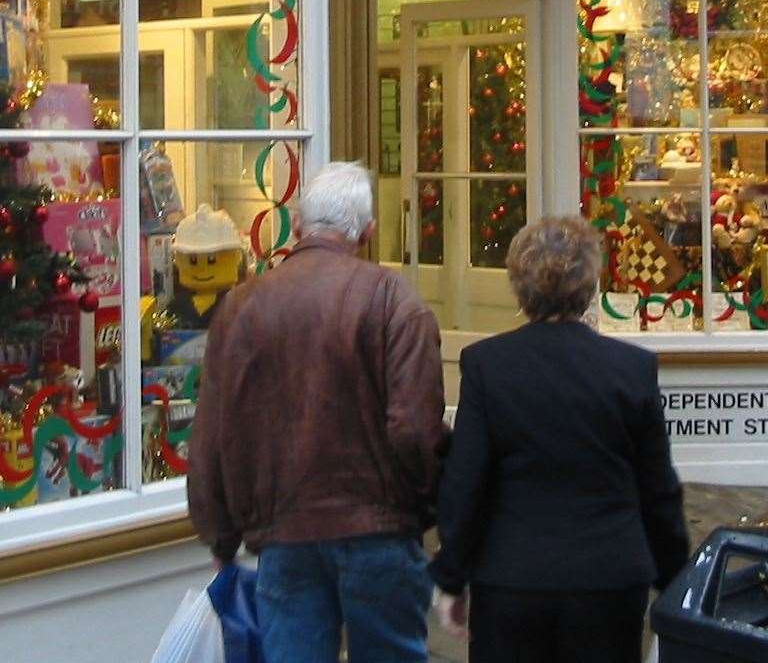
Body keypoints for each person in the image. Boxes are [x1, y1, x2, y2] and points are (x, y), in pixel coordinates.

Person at [188, 161, 446, 663]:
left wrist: (220, 532)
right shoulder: (394, 301)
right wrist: (425, 507)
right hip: (380, 532)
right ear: (368, 233)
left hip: (284, 534)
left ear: (300, 227)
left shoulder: (241, 307)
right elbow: (414, 430)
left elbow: (215, 433)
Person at [429, 215, 690, 663]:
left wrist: (452, 576)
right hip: (608, 576)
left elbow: (465, 482)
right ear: (589, 283)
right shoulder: (631, 369)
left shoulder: (489, 366)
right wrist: (674, 577)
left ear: (518, 285)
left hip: (513, 577)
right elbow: (658, 488)